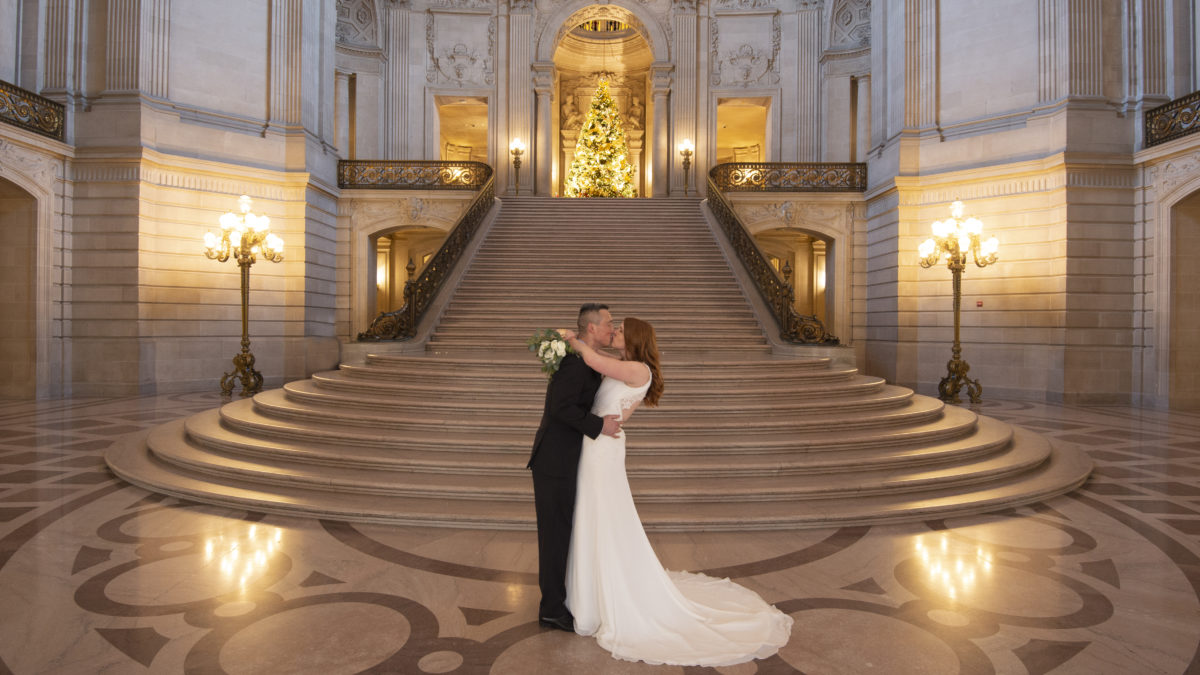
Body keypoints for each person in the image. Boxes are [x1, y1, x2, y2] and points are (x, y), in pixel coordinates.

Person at [558, 318, 793, 666]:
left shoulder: (639, 369)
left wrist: (572, 340)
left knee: (602, 515)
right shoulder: (626, 366)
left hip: (602, 451)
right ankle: (590, 594)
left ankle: (603, 596)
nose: (615, 332)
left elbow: (594, 361)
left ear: (635, 338)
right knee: (594, 515)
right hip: (595, 443)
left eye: (620, 329)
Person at [527, 303, 622, 633]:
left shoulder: (587, 361)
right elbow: (561, 409)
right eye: (609, 322)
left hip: (568, 459)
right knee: (554, 537)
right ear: (592, 328)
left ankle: (560, 599)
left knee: (564, 533)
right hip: (554, 461)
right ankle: (551, 609)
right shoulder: (573, 363)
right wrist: (599, 426)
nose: (614, 327)